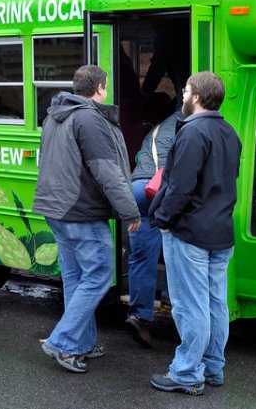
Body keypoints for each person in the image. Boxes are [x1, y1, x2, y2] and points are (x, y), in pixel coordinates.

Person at [33, 65, 141, 373]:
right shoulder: (90, 118)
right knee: (98, 275)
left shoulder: (56, 115)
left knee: (77, 277)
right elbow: (106, 170)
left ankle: (81, 344)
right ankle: (64, 343)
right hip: (80, 211)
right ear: (100, 88)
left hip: (56, 208)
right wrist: (129, 209)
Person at [148, 72, 242, 396]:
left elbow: (180, 187)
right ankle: (213, 367)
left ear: (197, 97)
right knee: (216, 303)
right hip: (221, 231)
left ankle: (187, 373)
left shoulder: (191, 133)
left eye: (186, 90)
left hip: (189, 232)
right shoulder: (230, 133)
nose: (183, 95)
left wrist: (162, 217)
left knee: (190, 305)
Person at [126, 110, 183, 348]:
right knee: (178, 245)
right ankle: (172, 295)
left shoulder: (157, 128)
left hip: (139, 188)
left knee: (141, 257)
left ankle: (139, 315)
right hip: (160, 189)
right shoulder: (187, 126)